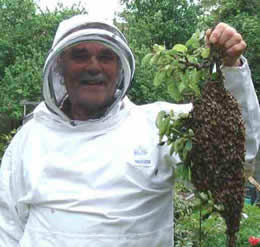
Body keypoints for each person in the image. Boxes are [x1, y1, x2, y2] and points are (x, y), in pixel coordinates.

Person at [0, 15, 259, 247]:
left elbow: (235, 152)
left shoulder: (159, 125)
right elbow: (7, 227)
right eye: (80, 55)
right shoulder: (30, 138)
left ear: (119, 67)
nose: (93, 66)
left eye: (106, 56)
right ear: (59, 67)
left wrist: (231, 68)